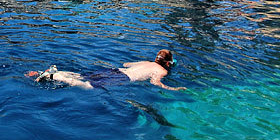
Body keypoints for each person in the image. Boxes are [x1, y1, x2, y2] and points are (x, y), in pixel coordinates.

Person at [26, 50, 186, 91]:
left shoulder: (146, 61)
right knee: (88, 86)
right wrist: (173, 88)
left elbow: (127, 63)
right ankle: (54, 76)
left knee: (82, 75)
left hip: (115, 70)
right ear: (168, 62)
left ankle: (56, 71)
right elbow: (155, 82)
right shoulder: (162, 71)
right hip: (124, 79)